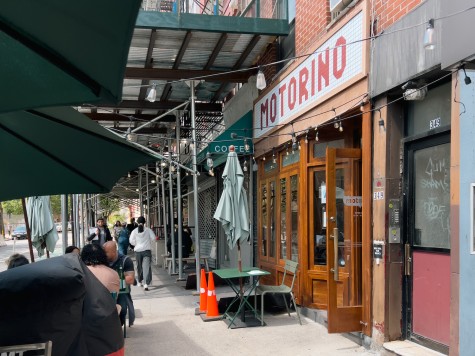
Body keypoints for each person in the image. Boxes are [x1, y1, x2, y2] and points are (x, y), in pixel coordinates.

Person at [104, 241, 136, 327]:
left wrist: (112, 279)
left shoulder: (126, 260)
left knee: (122, 309)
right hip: (106, 291)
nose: (104, 254)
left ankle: (118, 326)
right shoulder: (102, 261)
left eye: (106, 252)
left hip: (122, 291)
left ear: (114, 251)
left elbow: (131, 279)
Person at [129, 216, 156, 291]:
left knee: (139, 267)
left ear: (137, 222)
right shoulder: (148, 230)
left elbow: (131, 241)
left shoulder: (134, 231)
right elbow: (153, 238)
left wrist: (136, 244)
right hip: (147, 251)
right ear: (145, 222)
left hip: (138, 251)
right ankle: (146, 284)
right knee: (146, 266)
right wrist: (148, 241)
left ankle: (140, 281)